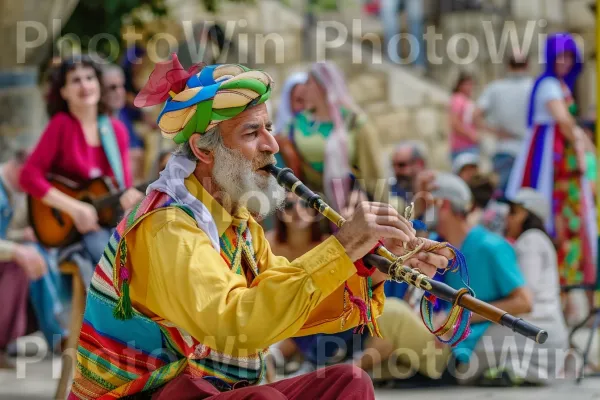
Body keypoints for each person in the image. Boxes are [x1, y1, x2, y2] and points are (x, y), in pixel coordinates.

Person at [68, 56, 454, 399]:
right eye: (252, 133)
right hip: (146, 393)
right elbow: (238, 325)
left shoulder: (237, 222)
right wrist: (341, 246)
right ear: (204, 149)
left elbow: (285, 307)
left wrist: (370, 268)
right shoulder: (169, 227)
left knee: (349, 382)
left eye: (268, 127)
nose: (272, 144)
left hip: (211, 388)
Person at [19, 55, 144, 289]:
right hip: (71, 231)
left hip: (109, 222)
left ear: (98, 84)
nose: (85, 85)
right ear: (64, 92)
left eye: (90, 78)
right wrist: (75, 209)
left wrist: (130, 201)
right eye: (75, 80)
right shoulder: (61, 125)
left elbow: (124, 187)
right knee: (112, 257)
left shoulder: (115, 130)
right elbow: (29, 176)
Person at [506, 32, 597, 289]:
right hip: (551, 161)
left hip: (560, 160)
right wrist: (585, 151)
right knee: (553, 211)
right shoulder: (549, 86)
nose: (565, 62)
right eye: (561, 56)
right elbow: (565, 122)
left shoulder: (558, 85)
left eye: (569, 56)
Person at [425, 172, 534, 385]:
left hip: (469, 346)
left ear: (445, 205)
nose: (424, 210)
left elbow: (524, 302)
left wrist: (461, 316)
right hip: (448, 341)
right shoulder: (442, 248)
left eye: (430, 203)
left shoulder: (491, 246)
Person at [275, 62, 387, 215]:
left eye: (308, 82)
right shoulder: (297, 124)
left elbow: (373, 173)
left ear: (321, 86)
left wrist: (379, 208)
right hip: (310, 207)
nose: (304, 88)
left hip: (352, 205)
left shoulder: (355, 122)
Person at [504, 188, 569, 380]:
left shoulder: (530, 240)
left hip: (538, 328)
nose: (508, 219)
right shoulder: (536, 240)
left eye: (513, 213)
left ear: (527, 215)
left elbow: (525, 298)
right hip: (544, 329)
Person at [0, 152, 47, 367]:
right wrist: (17, 251)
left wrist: (20, 243)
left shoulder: (14, 193)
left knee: (35, 255)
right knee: (20, 262)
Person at [474, 53, 534, 194]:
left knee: (501, 199)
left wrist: (495, 131)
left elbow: (475, 115)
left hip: (504, 149)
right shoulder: (533, 87)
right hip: (529, 150)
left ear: (508, 66)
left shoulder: (495, 88)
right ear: (527, 66)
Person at [102, 63, 145, 183]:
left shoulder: (121, 116)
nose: (120, 92)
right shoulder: (97, 123)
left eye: (122, 86)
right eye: (112, 87)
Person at [449, 73, 479, 161]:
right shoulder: (458, 99)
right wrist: (471, 135)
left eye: (471, 84)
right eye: (467, 84)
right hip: (462, 146)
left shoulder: (466, 100)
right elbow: (454, 123)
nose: (470, 87)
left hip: (469, 145)